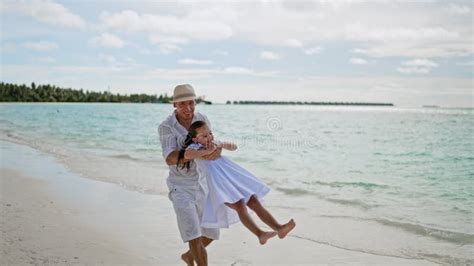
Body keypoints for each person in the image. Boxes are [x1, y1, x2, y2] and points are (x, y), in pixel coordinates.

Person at [177, 120, 296, 245]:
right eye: (205, 136)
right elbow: (188, 154)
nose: (209, 137)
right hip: (218, 184)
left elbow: (234, 147)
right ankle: (260, 233)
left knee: (253, 200)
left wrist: (221, 144)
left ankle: (279, 228)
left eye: (210, 133)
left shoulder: (215, 143)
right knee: (240, 205)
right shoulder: (195, 148)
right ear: (195, 139)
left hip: (232, 178)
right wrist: (206, 152)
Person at [158, 84, 221, 266]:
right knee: (193, 235)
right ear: (174, 105)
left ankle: (188, 256)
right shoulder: (166, 126)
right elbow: (170, 158)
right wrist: (197, 153)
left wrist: (215, 150)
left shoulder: (202, 118)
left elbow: (211, 144)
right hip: (180, 187)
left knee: (211, 234)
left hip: (203, 184)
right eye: (182, 104)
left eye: (191, 103)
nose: (188, 108)